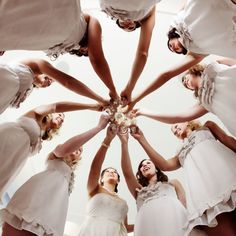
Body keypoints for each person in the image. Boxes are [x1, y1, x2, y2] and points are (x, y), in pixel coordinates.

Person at [0, 114, 110, 236]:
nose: (78, 149)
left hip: (52, 212)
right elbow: (64, 149)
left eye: (80, 150)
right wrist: (98, 127)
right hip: (36, 200)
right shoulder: (55, 156)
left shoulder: (69, 176)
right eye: (77, 146)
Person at [130, 121, 236, 235]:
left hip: (226, 175)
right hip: (206, 191)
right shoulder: (180, 153)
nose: (175, 131)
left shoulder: (207, 128)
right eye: (173, 132)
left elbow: (229, 140)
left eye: (175, 126)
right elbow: (164, 165)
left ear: (188, 121)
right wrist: (142, 139)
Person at [127, 0, 236, 109]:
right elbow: (166, 75)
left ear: (171, 36)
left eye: (170, 45)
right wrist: (135, 99)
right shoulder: (196, 53)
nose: (173, 48)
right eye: (176, 51)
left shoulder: (178, 20)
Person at [0, 0, 118, 99]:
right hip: (63, 12)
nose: (87, 50)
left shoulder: (54, 45)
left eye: (84, 53)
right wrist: (112, 90)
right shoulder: (90, 20)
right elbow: (97, 59)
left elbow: (27, 33)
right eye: (89, 50)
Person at [0, 101, 102, 202]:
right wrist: (90, 106)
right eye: (60, 115)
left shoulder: (40, 138)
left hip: (15, 160)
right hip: (8, 140)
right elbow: (55, 106)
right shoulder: (37, 115)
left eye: (63, 120)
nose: (61, 119)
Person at [133, 60, 236, 136]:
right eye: (184, 84)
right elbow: (175, 118)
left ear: (191, 71)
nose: (184, 82)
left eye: (184, 78)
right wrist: (143, 111)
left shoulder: (212, 65)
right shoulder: (204, 101)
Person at [118, 131, 189, 236]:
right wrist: (124, 142)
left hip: (176, 224)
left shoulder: (173, 183)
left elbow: (185, 206)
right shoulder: (138, 190)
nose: (145, 165)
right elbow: (127, 173)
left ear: (156, 168)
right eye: (142, 166)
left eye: (148, 162)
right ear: (141, 172)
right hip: (148, 228)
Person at [99, 0, 161, 103]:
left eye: (124, 27)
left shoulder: (109, 10)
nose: (127, 25)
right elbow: (143, 53)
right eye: (131, 27)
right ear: (137, 22)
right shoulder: (145, 15)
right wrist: (130, 88)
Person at [0, 58, 108, 115]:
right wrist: (101, 99)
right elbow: (68, 82)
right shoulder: (37, 64)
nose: (49, 81)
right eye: (50, 77)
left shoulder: (25, 90)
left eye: (51, 82)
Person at [78, 125, 133, 236]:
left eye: (114, 172)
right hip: (93, 230)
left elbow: (125, 227)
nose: (111, 172)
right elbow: (95, 168)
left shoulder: (123, 202)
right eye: (107, 171)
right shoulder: (95, 189)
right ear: (101, 179)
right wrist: (107, 140)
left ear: (118, 180)